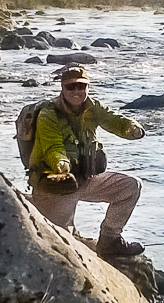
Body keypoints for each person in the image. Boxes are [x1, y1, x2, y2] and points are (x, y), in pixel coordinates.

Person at [28, 64, 147, 257]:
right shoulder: (48, 115)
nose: (77, 91)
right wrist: (61, 165)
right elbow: (53, 149)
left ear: (87, 87)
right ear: (62, 88)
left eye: (81, 86)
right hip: (55, 185)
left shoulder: (93, 107)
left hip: (85, 179)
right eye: (71, 87)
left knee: (131, 186)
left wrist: (131, 128)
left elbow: (114, 120)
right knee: (60, 249)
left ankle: (110, 240)